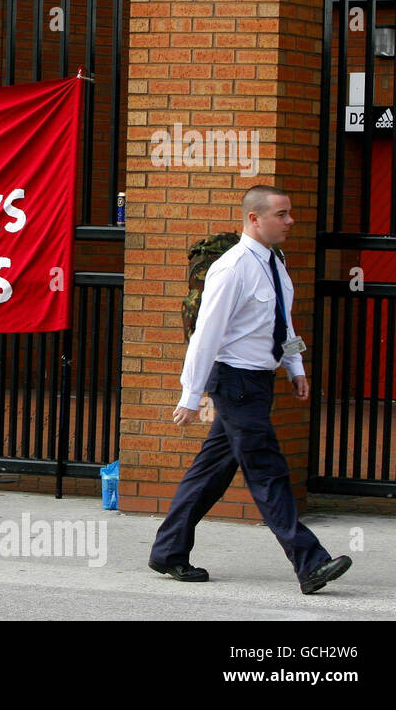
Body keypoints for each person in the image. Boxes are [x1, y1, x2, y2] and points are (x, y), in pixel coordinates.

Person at [150, 185, 351, 594]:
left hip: (259, 382)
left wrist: (295, 366)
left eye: (290, 212)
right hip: (235, 382)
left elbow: (284, 322)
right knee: (267, 470)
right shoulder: (233, 267)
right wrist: (191, 396)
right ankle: (310, 562)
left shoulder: (275, 263)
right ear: (254, 218)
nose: (290, 221)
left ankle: (168, 551)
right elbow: (207, 335)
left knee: (212, 471)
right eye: (281, 214)